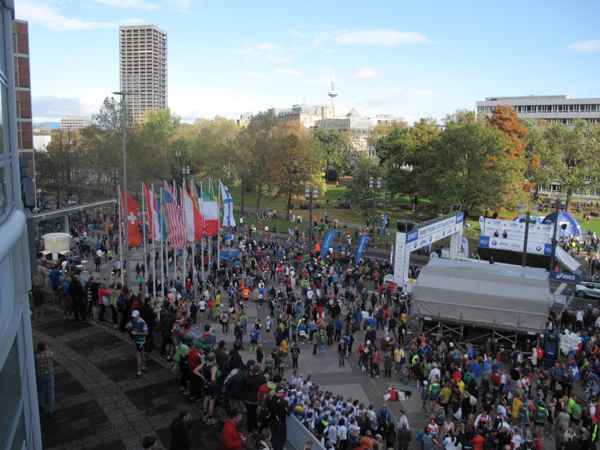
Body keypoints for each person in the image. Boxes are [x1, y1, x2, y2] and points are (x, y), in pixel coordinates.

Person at [195, 352, 219, 425]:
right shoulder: (213, 367)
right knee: (211, 402)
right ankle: (209, 419)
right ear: (214, 359)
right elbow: (212, 378)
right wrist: (214, 382)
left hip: (205, 384)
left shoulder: (204, 363)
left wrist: (202, 377)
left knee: (205, 399)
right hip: (211, 386)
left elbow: (195, 370)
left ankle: (205, 415)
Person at [35, 341, 55, 418]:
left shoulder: (36, 357)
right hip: (49, 375)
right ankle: (50, 410)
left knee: (39, 391)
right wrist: (47, 350)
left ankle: (42, 406)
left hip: (40, 376)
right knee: (51, 392)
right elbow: (51, 356)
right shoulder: (50, 354)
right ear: (45, 347)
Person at [127, 310, 148, 379]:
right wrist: (128, 328)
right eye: (133, 316)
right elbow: (131, 327)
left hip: (140, 341)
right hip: (137, 340)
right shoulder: (134, 321)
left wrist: (136, 333)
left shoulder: (143, 323)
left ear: (138, 316)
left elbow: (146, 333)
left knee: (138, 355)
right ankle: (143, 367)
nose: (134, 318)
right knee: (142, 352)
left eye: (135, 317)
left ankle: (139, 372)